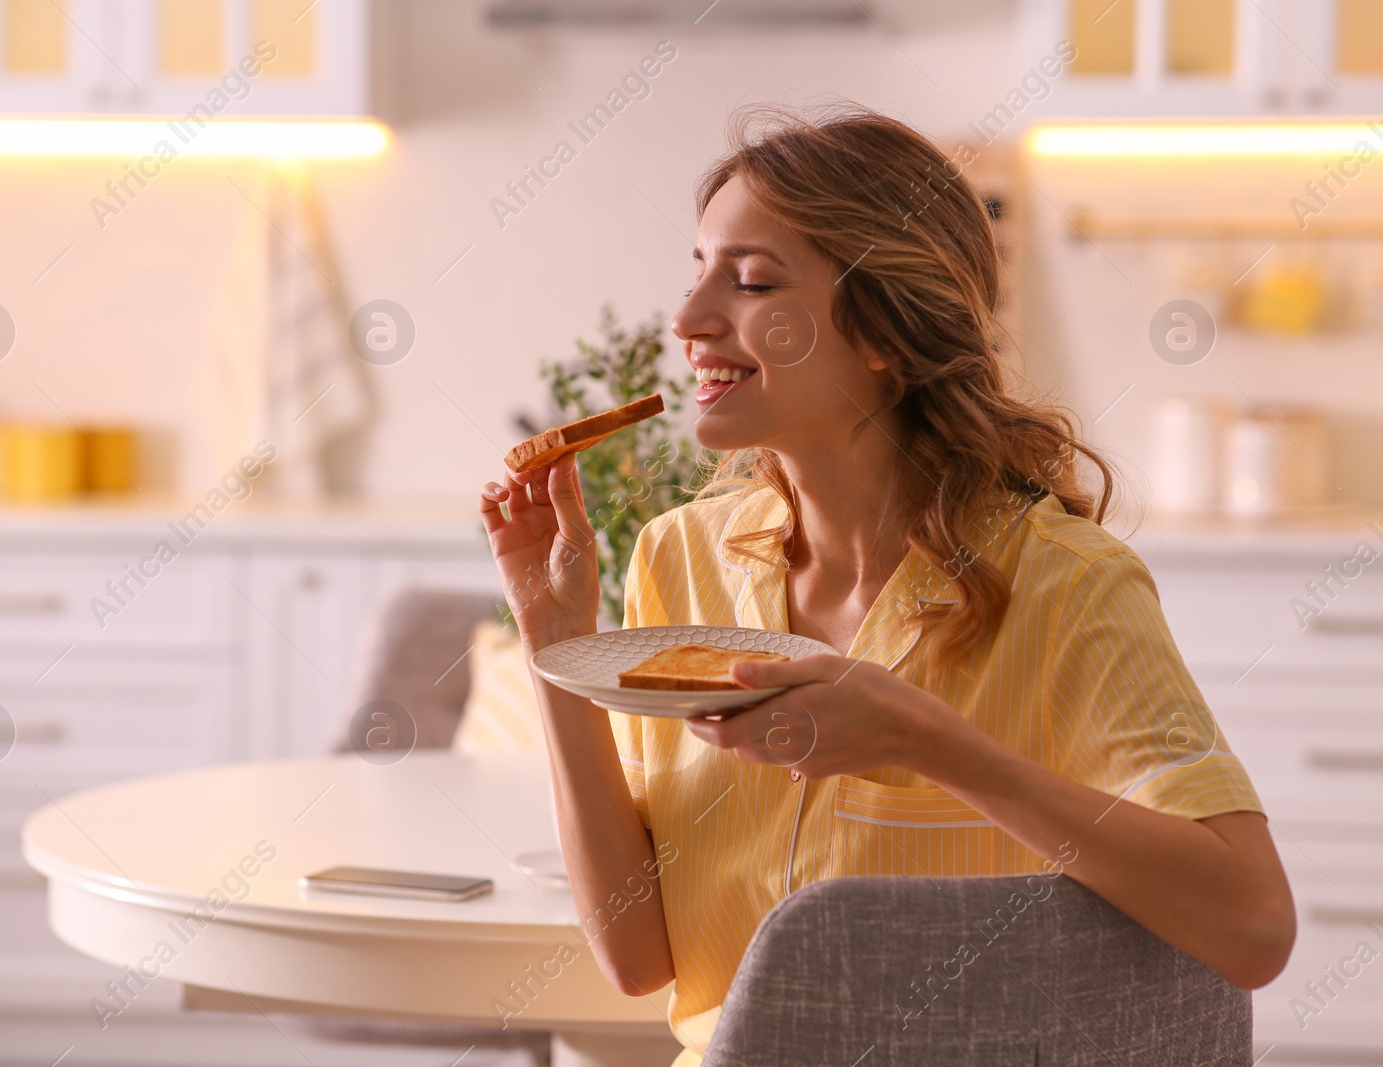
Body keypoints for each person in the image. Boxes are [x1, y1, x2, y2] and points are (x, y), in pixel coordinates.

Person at [479, 105, 1294, 1066]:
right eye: (696, 272)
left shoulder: (1066, 584)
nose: (689, 320)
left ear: (884, 334)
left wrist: (925, 739)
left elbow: (1252, 925)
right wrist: (553, 638)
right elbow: (637, 953)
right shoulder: (678, 559)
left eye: (749, 282)